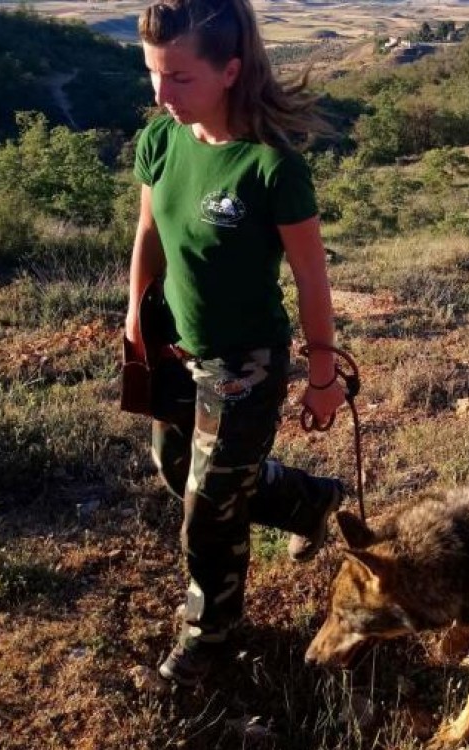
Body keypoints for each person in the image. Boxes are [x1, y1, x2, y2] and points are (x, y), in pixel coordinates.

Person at [125, 0, 346, 686]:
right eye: (154, 73)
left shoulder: (272, 166)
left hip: (244, 364)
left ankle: (209, 639)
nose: (162, 93)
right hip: (173, 346)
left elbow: (311, 279)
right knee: (175, 469)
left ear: (229, 71)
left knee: (207, 514)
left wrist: (322, 376)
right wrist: (135, 316)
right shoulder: (161, 139)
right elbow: (149, 233)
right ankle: (306, 501)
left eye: (180, 77)